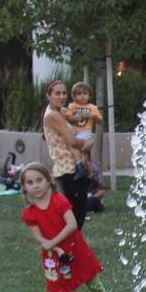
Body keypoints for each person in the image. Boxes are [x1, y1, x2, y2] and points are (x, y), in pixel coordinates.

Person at [20, 162, 117, 292]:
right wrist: (50, 246)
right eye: (30, 182)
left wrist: (53, 242)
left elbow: (72, 225)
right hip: (54, 256)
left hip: (75, 249)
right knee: (57, 291)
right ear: (24, 187)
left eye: (39, 180)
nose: (35, 185)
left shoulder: (59, 201)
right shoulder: (29, 212)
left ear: (49, 181)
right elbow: (38, 236)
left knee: (94, 283)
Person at [42, 80, 94, 228]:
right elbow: (71, 140)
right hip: (69, 169)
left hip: (73, 168)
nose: (61, 96)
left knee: (76, 217)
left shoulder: (61, 112)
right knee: (75, 220)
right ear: (48, 95)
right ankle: (67, 250)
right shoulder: (52, 115)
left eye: (64, 93)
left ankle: (71, 249)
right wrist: (87, 144)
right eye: (57, 93)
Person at [65, 81, 103, 180]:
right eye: (79, 94)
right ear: (74, 96)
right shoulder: (72, 106)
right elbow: (68, 118)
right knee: (82, 153)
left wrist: (94, 116)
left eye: (85, 94)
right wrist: (75, 118)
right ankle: (88, 172)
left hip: (86, 132)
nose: (82, 96)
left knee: (77, 148)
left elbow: (100, 121)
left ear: (89, 96)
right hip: (75, 131)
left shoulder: (92, 107)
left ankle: (82, 168)